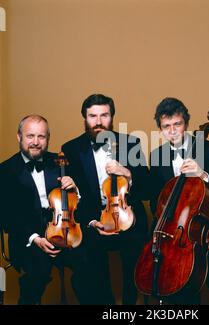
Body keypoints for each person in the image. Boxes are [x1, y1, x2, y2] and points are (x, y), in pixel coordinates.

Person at [61, 93, 149, 305]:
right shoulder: (71, 149)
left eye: (104, 115)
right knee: (89, 267)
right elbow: (71, 197)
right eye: (92, 116)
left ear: (112, 117)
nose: (98, 122)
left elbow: (147, 188)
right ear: (85, 118)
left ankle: (131, 302)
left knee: (137, 252)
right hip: (92, 219)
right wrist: (93, 221)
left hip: (128, 218)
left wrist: (128, 173)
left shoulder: (131, 143)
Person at [0, 115, 93, 305]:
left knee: (90, 265)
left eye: (41, 137)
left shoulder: (61, 162)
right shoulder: (6, 170)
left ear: (48, 139)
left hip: (65, 231)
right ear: (19, 137)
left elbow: (79, 205)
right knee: (37, 272)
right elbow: (8, 216)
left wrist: (76, 190)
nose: (36, 142)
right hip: (29, 238)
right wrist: (36, 239)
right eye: (30, 136)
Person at [148, 97, 209, 304]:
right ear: (161, 129)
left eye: (177, 124)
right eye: (166, 126)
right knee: (161, 279)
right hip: (168, 229)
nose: (172, 131)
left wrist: (203, 175)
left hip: (200, 229)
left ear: (187, 124)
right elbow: (157, 196)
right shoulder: (156, 155)